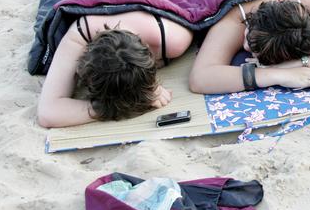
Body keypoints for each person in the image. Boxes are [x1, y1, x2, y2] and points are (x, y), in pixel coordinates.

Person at [37, 11, 193, 128]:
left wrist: (139, 94)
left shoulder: (173, 40)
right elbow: (48, 113)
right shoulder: (79, 36)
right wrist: (125, 105)